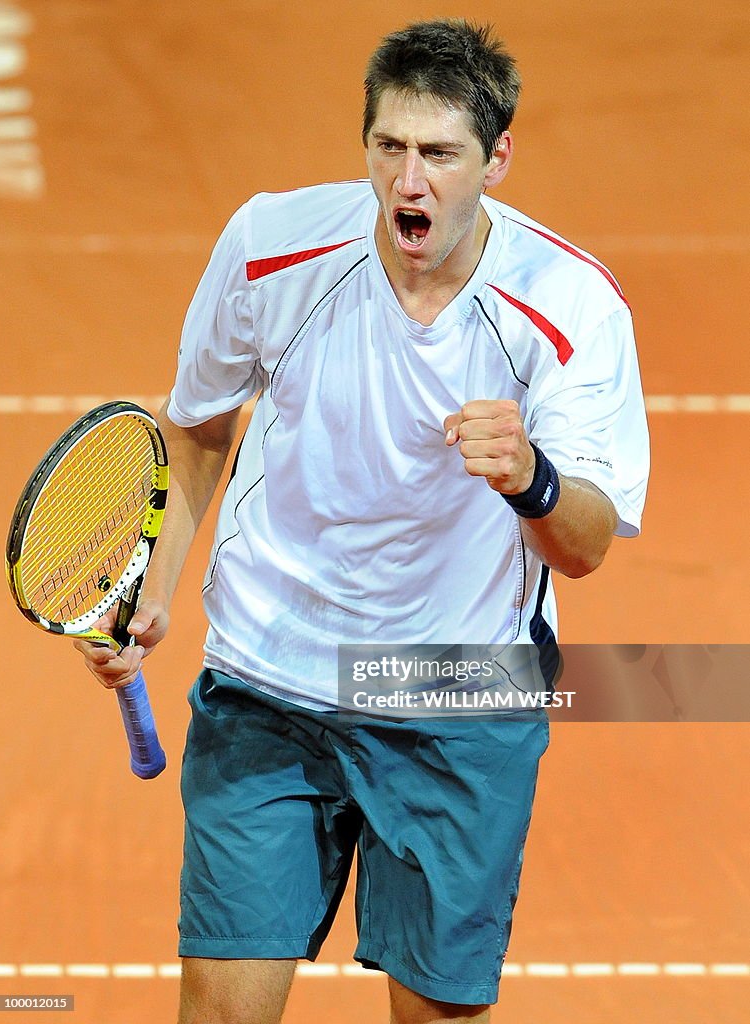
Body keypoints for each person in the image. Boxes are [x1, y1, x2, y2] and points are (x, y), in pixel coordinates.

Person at [75, 18, 649, 1024]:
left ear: (496, 158)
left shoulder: (568, 306)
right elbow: (200, 420)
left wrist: (531, 479)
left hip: (456, 690)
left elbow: (587, 544)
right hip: (270, 674)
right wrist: (155, 587)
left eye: (437, 154)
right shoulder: (270, 248)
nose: (407, 183)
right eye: (388, 148)